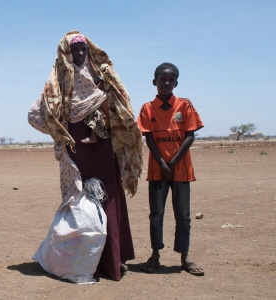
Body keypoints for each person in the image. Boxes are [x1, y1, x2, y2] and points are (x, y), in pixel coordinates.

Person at [28, 30, 143, 282]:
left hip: (103, 147)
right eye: (75, 51)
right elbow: (35, 115)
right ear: (66, 54)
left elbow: (120, 104)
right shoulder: (57, 83)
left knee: (108, 198)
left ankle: (112, 262)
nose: (80, 54)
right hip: (77, 151)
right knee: (79, 202)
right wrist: (61, 132)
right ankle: (80, 262)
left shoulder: (101, 76)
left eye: (83, 50)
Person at [137, 62, 205, 276]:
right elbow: (148, 138)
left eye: (171, 80)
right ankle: (155, 255)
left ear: (176, 82)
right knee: (156, 214)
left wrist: (173, 163)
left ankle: (184, 257)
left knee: (183, 215)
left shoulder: (185, 106)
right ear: (154, 82)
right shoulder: (147, 108)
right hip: (158, 170)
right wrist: (163, 164)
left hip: (181, 170)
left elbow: (190, 136)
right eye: (162, 79)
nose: (166, 83)